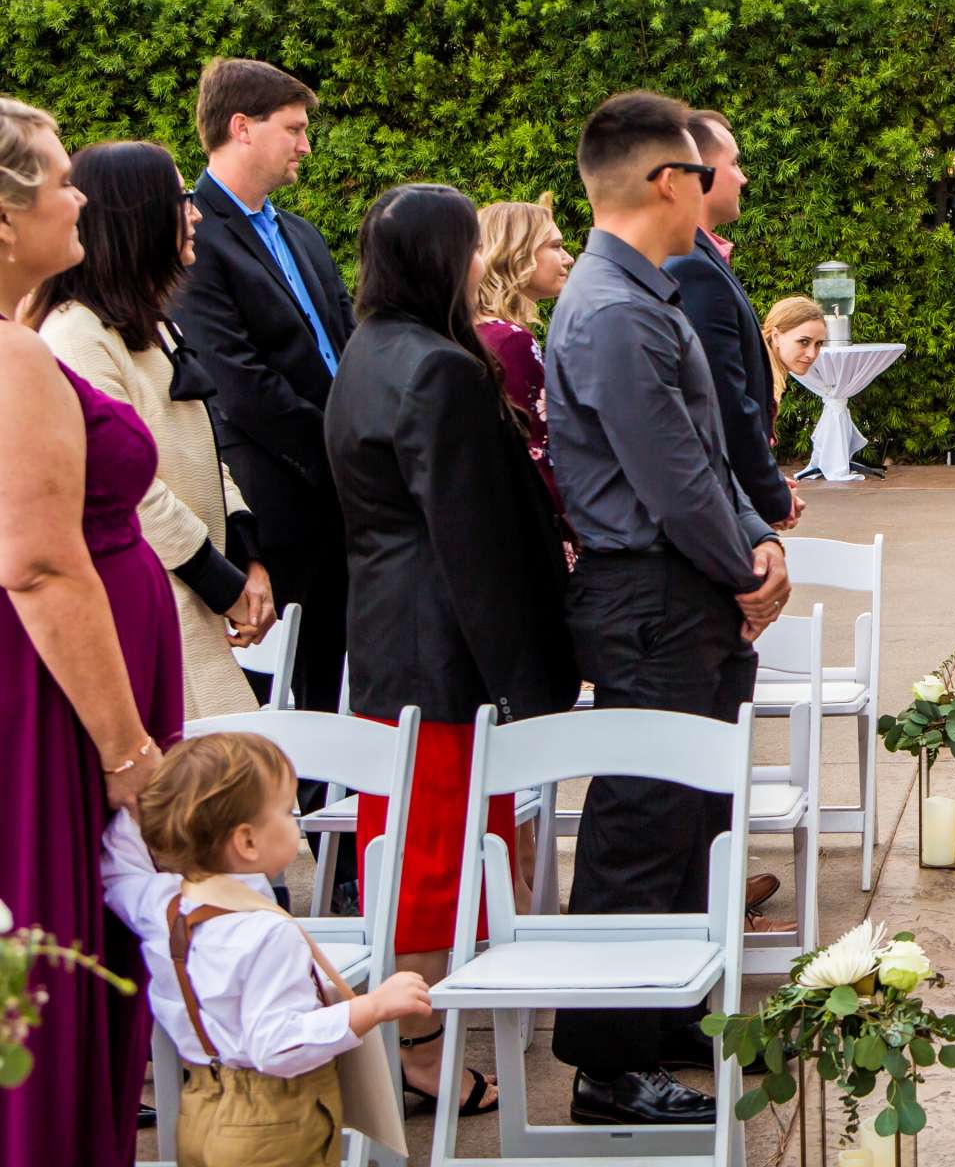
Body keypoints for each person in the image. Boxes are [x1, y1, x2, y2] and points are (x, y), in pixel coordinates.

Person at [543, 91, 790, 1125]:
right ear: (665, 182)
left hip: (688, 582)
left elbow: (711, 449)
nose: (712, 191)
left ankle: (665, 1011)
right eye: (702, 174)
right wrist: (745, 563)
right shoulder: (608, 306)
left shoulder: (642, 292)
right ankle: (607, 1067)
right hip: (651, 591)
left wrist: (757, 541)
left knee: (696, 811)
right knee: (642, 822)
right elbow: (669, 472)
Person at [325, 184, 580, 1114]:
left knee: (411, 842)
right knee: (436, 850)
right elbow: (475, 541)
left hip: (386, 633)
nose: (481, 263)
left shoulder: (366, 349)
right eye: (470, 247)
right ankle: (418, 1050)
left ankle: (412, 1033)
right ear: (441, 259)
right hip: (444, 650)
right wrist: (529, 680)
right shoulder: (441, 366)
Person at [0, 96, 178, 1166]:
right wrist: (127, 749)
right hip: (52, 704)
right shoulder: (14, 360)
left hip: (55, 684)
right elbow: (37, 561)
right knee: (55, 952)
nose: (80, 195)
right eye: (61, 178)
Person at [100, 732, 432, 1167]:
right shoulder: (265, 934)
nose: (295, 822)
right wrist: (373, 1007)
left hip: (201, 1104)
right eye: (286, 812)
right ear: (247, 843)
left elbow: (118, 870)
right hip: (276, 1119)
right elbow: (276, 1045)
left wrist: (144, 796)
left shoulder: (163, 905)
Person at [32, 142, 275, 720]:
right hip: (151, 604)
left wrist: (249, 557)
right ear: (135, 215)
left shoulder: (151, 324)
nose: (194, 212)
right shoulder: (76, 337)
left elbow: (203, 444)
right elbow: (128, 487)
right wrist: (221, 582)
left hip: (191, 601)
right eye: (180, 199)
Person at [175, 58, 355, 719]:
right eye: (294, 129)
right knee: (280, 707)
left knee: (331, 691)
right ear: (242, 127)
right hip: (276, 497)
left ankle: (315, 821)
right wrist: (337, 450)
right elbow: (238, 381)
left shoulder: (301, 234)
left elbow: (347, 338)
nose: (306, 145)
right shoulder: (194, 237)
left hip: (339, 496)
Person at [666, 110, 801, 532]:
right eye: (735, 163)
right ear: (700, 173)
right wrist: (767, 494)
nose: (743, 178)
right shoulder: (691, 266)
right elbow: (725, 396)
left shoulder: (700, 257)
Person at [474, 194, 576, 529]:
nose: (569, 258)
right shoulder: (511, 340)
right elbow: (538, 450)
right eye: (555, 246)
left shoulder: (478, 330)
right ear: (515, 253)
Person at [761, 293, 828, 422]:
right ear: (776, 337)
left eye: (818, 344)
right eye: (803, 342)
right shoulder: (759, 379)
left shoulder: (766, 373)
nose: (812, 354)